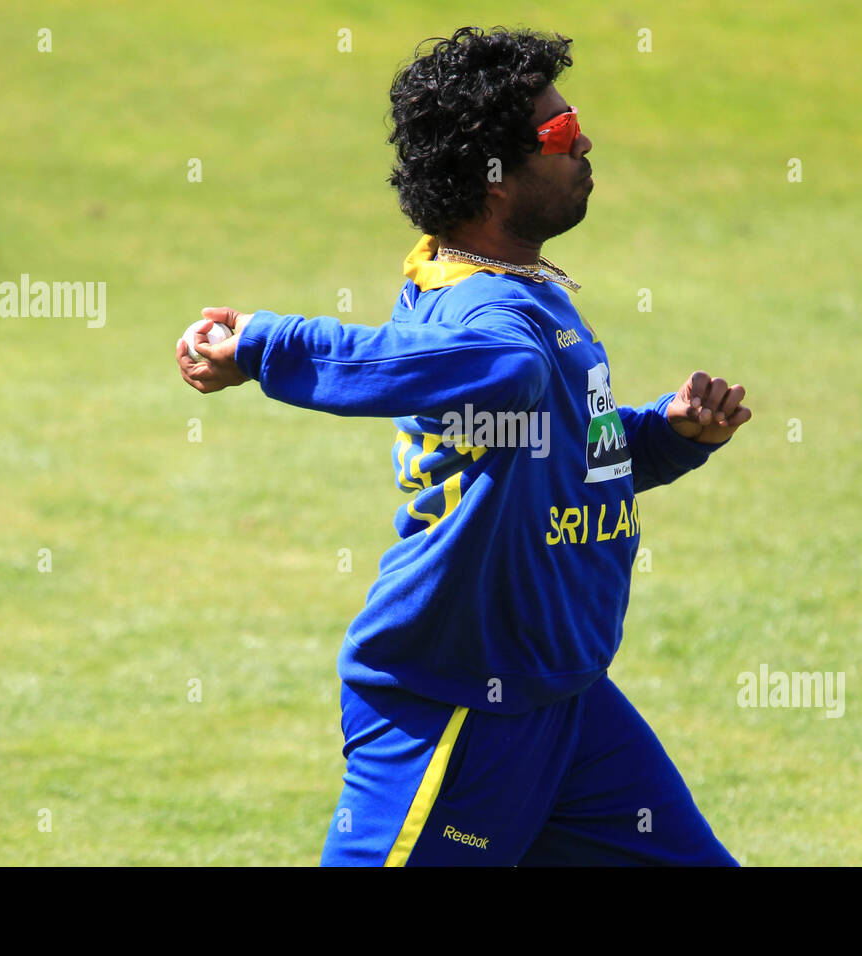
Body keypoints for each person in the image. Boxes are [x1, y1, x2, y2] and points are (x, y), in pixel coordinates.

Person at [177, 25, 751, 866]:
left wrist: (666, 436)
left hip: (565, 704)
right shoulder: (486, 318)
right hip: (452, 712)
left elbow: (569, 453)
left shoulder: (523, 293)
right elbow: (447, 362)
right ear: (493, 179)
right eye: (557, 133)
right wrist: (265, 344)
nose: (582, 139)